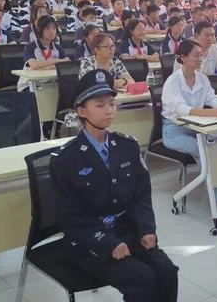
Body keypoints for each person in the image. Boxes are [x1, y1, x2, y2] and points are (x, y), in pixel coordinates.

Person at [50, 69, 179, 301]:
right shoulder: (66, 159)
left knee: (166, 272)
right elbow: (69, 218)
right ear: (81, 111)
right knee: (142, 279)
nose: (109, 110)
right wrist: (108, 243)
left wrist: (146, 228)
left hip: (127, 230)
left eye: (111, 104)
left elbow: (141, 196)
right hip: (88, 241)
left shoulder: (127, 146)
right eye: (100, 105)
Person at [161, 40, 217, 218]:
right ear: (183, 57)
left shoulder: (202, 78)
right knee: (206, 151)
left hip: (198, 128)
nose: (200, 58)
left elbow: (212, 99)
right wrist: (209, 113)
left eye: (201, 55)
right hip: (175, 131)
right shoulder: (173, 81)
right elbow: (180, 109)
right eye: (196, 55)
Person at [18, 16, 68, 91]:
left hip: (49, 82)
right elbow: (34, 65)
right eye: (47, 28)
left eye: (54, 28)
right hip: (29, 84)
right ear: (40, 30)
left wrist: (44, 66)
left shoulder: (57, 47)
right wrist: (55, 61)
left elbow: (66, 62)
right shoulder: (30, 47)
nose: (52, 31)